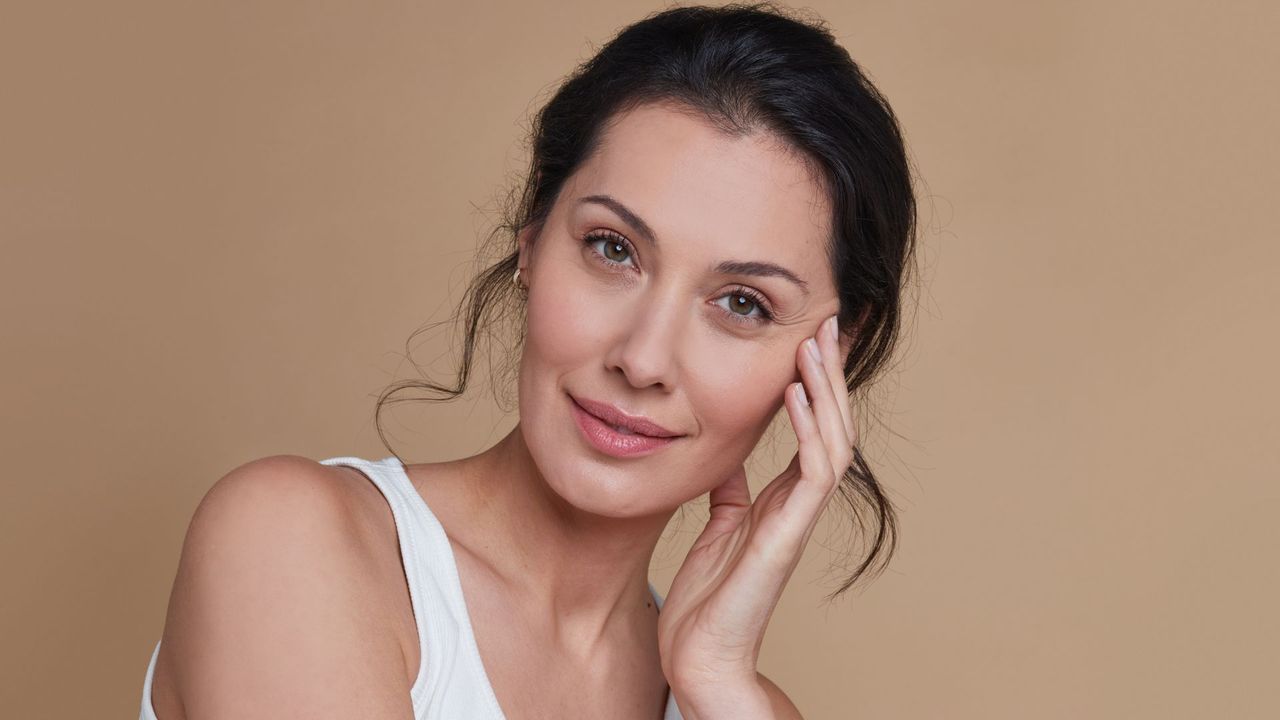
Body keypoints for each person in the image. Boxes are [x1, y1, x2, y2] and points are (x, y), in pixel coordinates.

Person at [137, 3, 918, 718]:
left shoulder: (733, 703)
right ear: (532, 238)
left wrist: (714, 677)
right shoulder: (292, 542)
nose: (643, 359)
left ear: (831, 352)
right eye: (613, 250)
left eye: (742, 303)